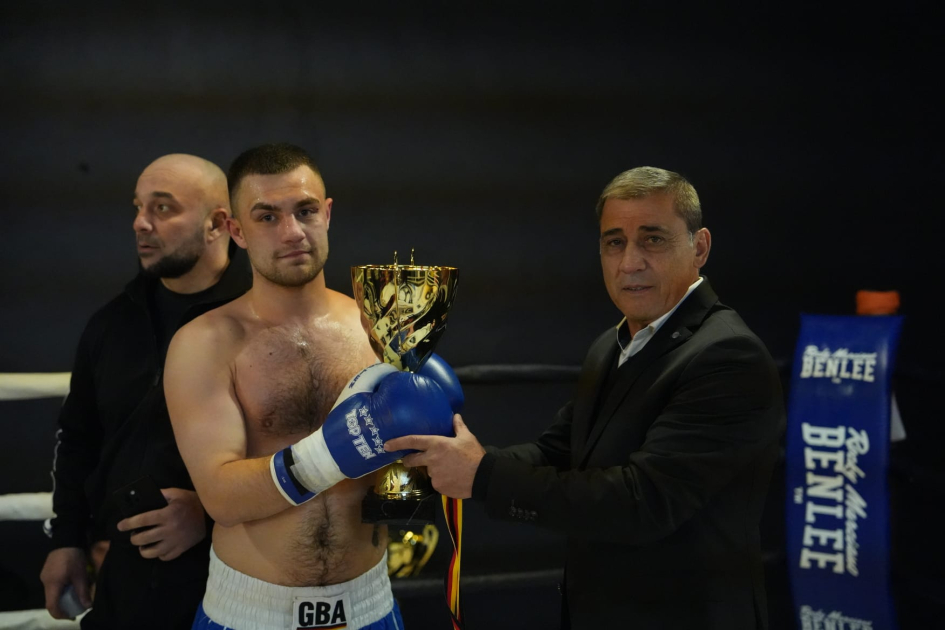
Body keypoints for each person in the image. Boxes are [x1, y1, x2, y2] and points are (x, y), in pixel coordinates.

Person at [386, 166, 787, 629]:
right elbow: (558, 453)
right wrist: (448, 459)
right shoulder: (612, 345)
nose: (629, 262)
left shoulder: (727, 356)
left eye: (653, 239)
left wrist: (483, 476)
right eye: (615, 242)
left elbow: (642, 503)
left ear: (699, 248)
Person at [163, 143, 460, 630]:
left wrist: (436, 444)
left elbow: (412, 476)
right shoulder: (206, 344)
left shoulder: (378, 329)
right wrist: (336, 449)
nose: (293, 232)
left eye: (305, 211)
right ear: (236, 231)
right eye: (267, 216)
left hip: (369, 606)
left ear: (327, 214)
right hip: (251, 615)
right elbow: (220, 496)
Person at [40, 154, 252, 629]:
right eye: (138, 207)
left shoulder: (265, 320)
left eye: (163, 208)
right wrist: (67, 541)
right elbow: (77, 440)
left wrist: (211, 513)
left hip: (241, 580)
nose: (140, 223)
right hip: (128, 585)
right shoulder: (111, 324)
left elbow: (302, 448)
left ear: (217, 223)